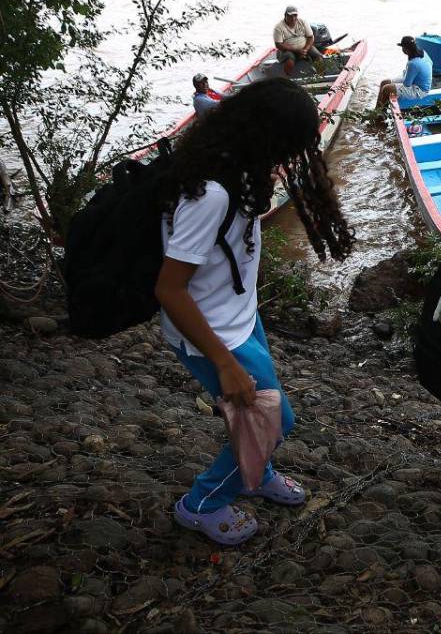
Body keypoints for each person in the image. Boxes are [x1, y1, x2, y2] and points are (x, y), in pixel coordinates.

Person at [156, 78, 354, 546]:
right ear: (267, 138)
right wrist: (224, 364)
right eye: (290, 147)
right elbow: (169, 288)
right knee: (276, 420)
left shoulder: (232, 162)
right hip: (215, 334)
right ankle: (201, 503)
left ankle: (258, 471)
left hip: (239, 317)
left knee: (261, 415)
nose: (292, 159)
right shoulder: (213, 194)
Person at [377, 36, 433, 106]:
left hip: (420, 90)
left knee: (386, 88)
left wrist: (395, 84)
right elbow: (431, 63)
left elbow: (407, 84)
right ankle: (378, 111)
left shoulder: (413, 63)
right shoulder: (423, 52)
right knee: (384, 82)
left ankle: (380, 115)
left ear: (406, 49)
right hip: (416, 81)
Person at [273, 6, 323, 76]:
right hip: (286, 49)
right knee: (289, 59)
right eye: (290, 16)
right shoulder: (278, 27)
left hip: (304, 47)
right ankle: (288, 77)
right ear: (285, 15)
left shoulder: (303, 22)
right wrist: (296, 50)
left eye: (295, 15)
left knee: (318, 56)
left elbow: (310, 37)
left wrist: (305, 49)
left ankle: (321, 76)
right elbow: (278, 45)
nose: (293, 18)